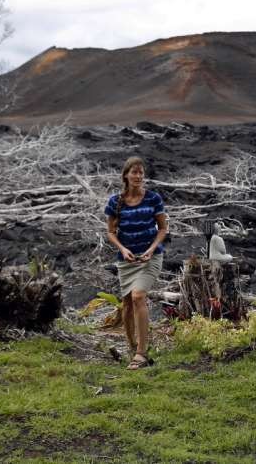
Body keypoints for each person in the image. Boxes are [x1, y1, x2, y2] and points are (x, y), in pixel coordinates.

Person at [105, 156, 168, 370]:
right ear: (126, 175)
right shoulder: (115, 201)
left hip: (151, 257)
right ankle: (132, 347)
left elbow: (163, 229)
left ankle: (141, 353)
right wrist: (122, 249)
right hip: (126, 260)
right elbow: (111, 232)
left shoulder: (153, 199)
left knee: (138, 296)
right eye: (134, 172)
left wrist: (151, 250)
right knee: (127, 305)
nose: (138, 176)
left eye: (141, 172)